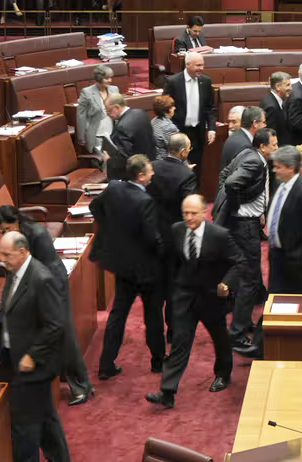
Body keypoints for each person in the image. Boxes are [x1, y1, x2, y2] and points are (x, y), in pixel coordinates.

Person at [145, 195, 243, 409]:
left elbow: (238, 263)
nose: (188, 218)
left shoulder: (219, 235)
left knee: (219, 338)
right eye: (185, 213)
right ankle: (167, 391)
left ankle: (223, 374)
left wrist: (226, 284)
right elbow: (171, 260)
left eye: (193, 213)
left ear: (203, 213)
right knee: (180, 341)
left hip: (211, 297)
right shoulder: (177, 230)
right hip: (185, 296)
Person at [0, 206, 92, 406]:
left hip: (53, 286)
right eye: (1, 231)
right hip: (35, 289)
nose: (5, 233)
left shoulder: (37, 235)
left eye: (7, 228)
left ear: (16, 220)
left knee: (64, 333)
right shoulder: (14, 241)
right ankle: (64, 377)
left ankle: (82, 387)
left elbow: (45, 271)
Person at [0, 231, 70, 462]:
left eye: (6, 254)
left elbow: (55, 325)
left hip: (31, 366)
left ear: (22, 252)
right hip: (15, 359)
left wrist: (32, 355)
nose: (1, 258)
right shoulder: (15, 271)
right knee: (47, 421)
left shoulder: (41, 278)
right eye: (0, 253)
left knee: (24, 431)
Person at [90, 155, 165, 379]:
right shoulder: (145, 202)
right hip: (145, 270)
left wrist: (112, 232)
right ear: (140, 176)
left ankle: (106, 365)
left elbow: (95, 206)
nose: (153, 174)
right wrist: (165, 251)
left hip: (122, 267)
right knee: (152, 315)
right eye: (150, 171)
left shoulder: (113, 189)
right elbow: (152, 238)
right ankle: (158, 361)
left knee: (117, 315)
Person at [213, 128, 276, 349]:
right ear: (262, 146)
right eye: (273, 145)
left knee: (245, 275)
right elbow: (231, 183)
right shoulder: (255, 162)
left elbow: (223, 175)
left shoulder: (245, 153)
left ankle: (242, 322)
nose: (276, 149)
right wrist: (240, 207)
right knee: (249, 279)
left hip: (244, 222)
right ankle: (237, 332)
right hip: (244, 226)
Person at [146, 132, 196, 340]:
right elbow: (189, 211)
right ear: (183, 152)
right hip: (175, 240)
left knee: (156, 290)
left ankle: (156, 334)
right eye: (189, 149)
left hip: (152, 236)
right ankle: (173, 331)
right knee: (175, 287)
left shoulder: (152, 168)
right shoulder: (187, 175)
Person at [267, 146, 302, 294]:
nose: (274, 170)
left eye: (278, 167)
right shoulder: (280, 185)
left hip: (295, 266)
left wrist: (297, 261)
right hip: (277, 257)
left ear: (290, 168)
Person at [163, 51, 216, 179]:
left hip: (197, 133)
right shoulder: (173, 82)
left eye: (202, 65)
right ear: (188, 64)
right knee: (177, 169)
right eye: (198, 65)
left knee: (196, 169)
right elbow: (165, 107)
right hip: (178, 132)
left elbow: (210, 108)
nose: (201, 68)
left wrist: (212, 129)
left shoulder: (206, 81)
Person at [105, 93, 157, 181]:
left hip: (136, 173)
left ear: (117, 107)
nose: (108, 115)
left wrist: (109, 160)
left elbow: (126, 158)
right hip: (150, 164)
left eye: (109, 111)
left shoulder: (122, 127)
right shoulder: (141, 113)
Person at [76, 64, 119, 155]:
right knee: (102, 161)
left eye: (111, 78)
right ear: (99, 78)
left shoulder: (114, 89)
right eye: (107, 78)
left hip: (112, 132)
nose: (110, 81)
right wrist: (81, 137)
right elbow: (81, 115)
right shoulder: (87, 92)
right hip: (96, 133)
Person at [258, 72, 293, 147]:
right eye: (287, 85)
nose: (290, 88)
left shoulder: (276, 101)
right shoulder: (271, 107)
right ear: (277, 87)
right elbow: (271, 135)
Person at [147, 96, 178, 161]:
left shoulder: (153, 121)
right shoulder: (169, 127)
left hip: (154, 160)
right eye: (172, 107)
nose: (174, 108)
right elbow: (176, 150)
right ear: (166, 111)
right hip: (165, 162)